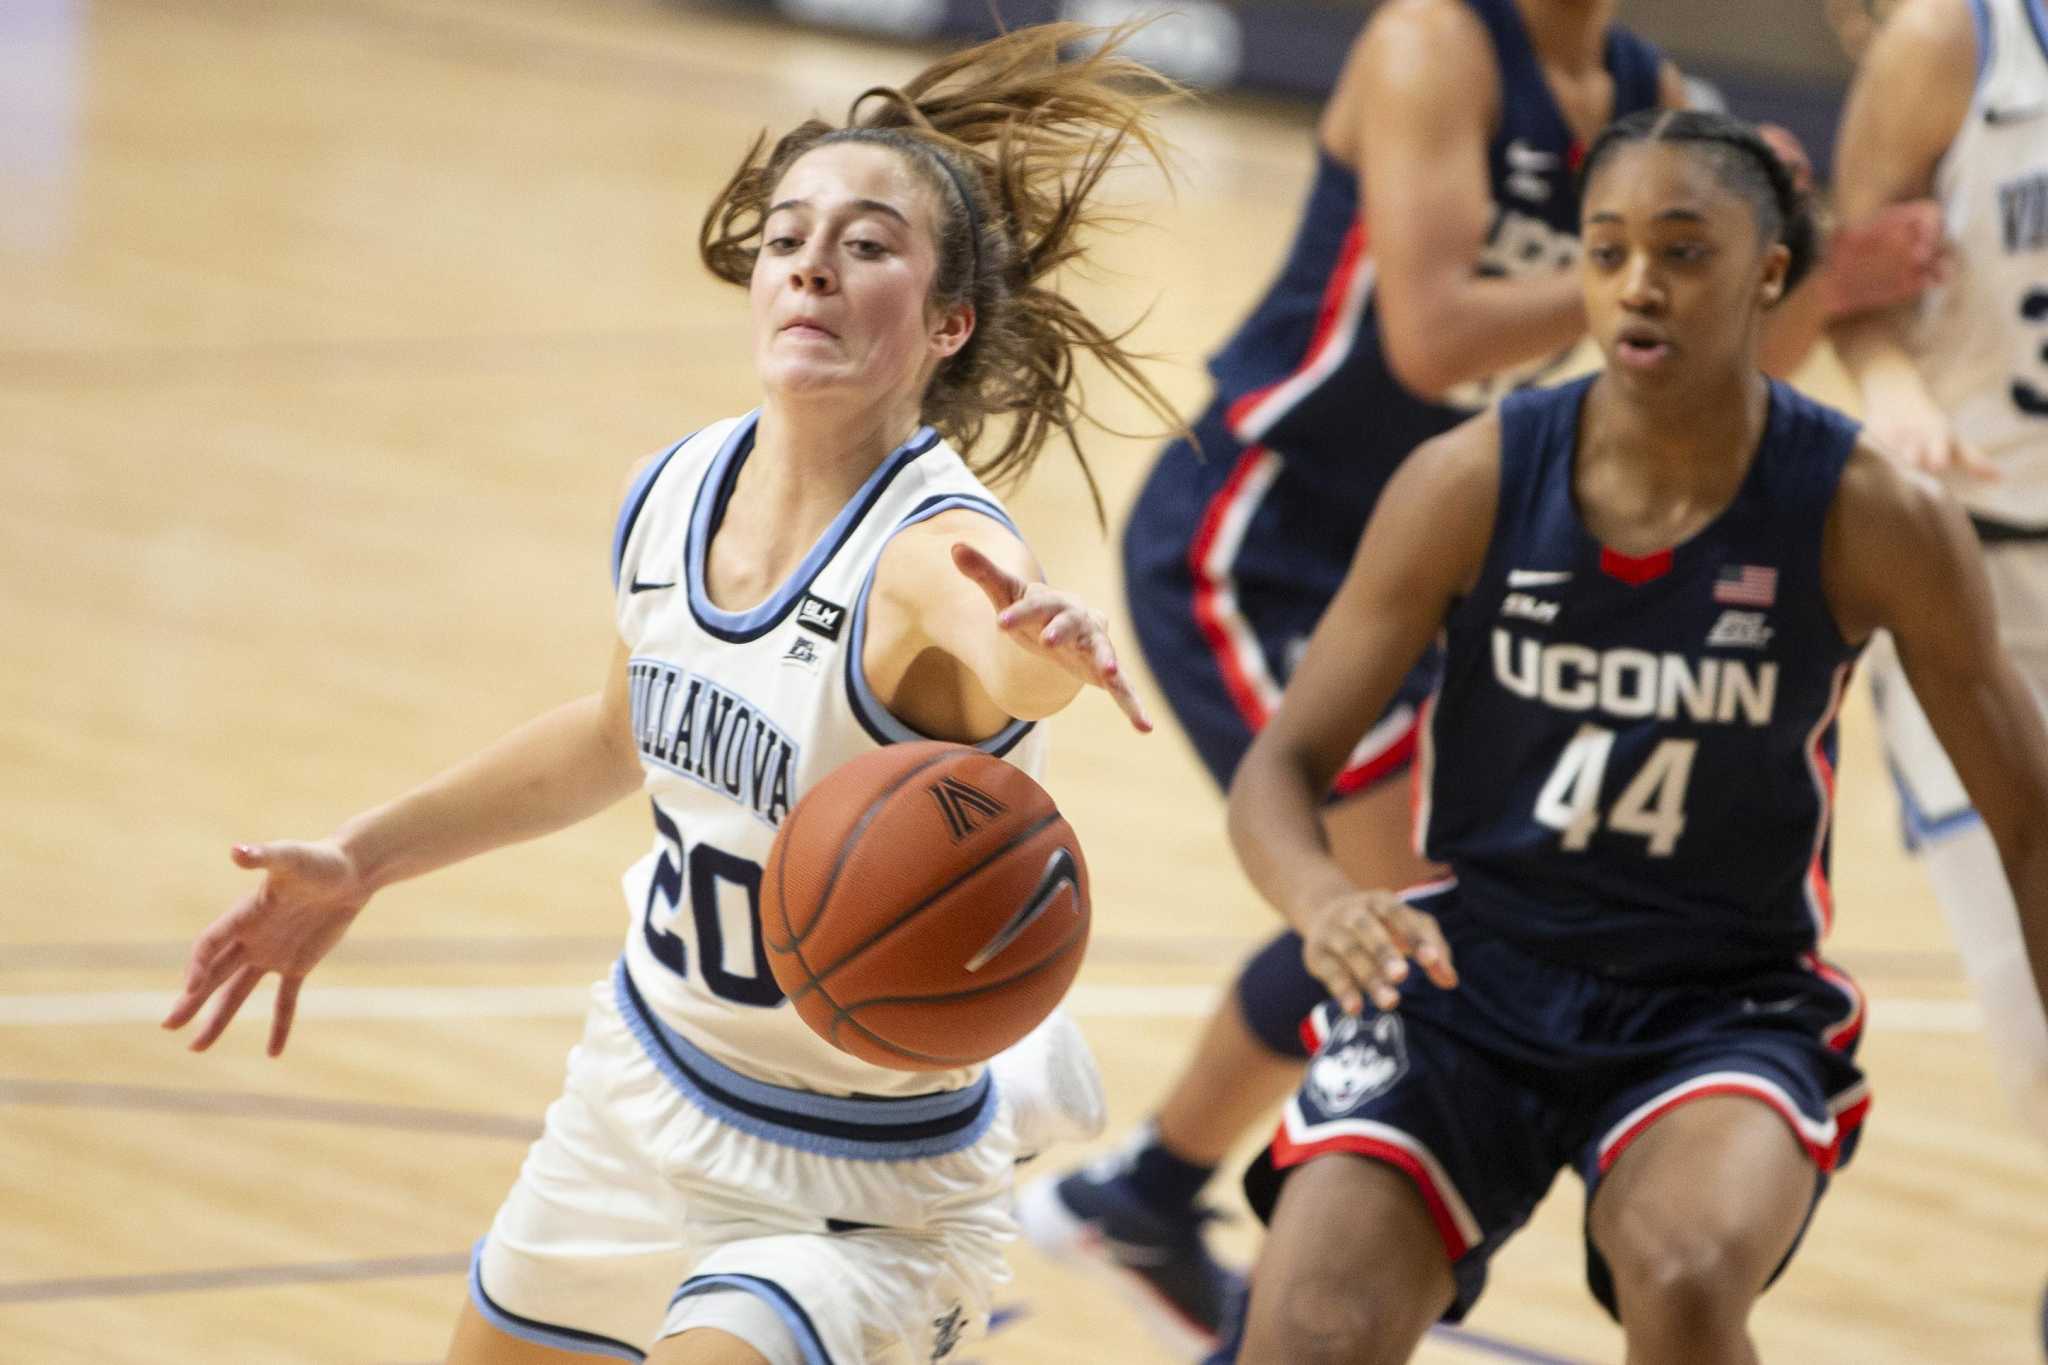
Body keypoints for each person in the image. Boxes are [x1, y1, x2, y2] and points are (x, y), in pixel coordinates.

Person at [160, 25, 1182, 1365]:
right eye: (787, 237)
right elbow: (609, 736)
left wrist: (1051, 644)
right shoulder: (675, 488)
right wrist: (362, 858)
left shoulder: (936, 554)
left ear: (948, 324)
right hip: (641, 1092)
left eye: (868, 243)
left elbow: (1004, 663)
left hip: (855, 1191)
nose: (812, 261)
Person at [1016, 2, 1942, 1352]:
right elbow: (1432, 336)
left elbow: (1736, 365)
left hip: (1463, 549)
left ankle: (1149, 1191)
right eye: (1628, 246)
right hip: (1271, 536)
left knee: (1425, 911)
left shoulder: (1638, 81)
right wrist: (1665, 265)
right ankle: (1174, 1208)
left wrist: (1811, 276)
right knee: (1401, 910)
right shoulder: (1432, 44)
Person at [1216, 107, 2048, 1364]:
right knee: (1309, 1326)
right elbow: (1279, 766)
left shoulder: (1870, 513)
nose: (1636, 286)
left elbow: (2029, 814)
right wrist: (1322, 895)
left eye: (1682, 250)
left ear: (1771, 270)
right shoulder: (1472, 478)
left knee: (1684, 1270)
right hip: (1471, 974)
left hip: (1723, 1002)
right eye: (1604, 252)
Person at [1830, 0, 2048, 1146]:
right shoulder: (1947, 42)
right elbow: (1848, 281)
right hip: (1973, 582)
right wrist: (1892, 384)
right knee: (2036, 1025)